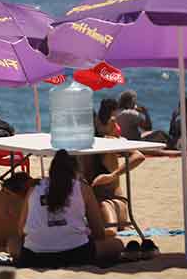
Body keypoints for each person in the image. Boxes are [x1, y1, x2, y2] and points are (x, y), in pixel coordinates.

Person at [15, 150, 123, 268]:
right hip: (76, 253)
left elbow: (21, 229)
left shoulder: (34, 188)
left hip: (33, 256)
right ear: (76, 170)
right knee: (117, 244)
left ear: (51, 169)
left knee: (12, 243)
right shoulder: (82, 187)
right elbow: (98, 232)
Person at [81, 99, 145, 235]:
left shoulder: (107, 142)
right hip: (91, 206)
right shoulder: (77, 150)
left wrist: (112, 175)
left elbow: (138, 156)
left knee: (103, 206)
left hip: (113, 203)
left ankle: (109, 232)